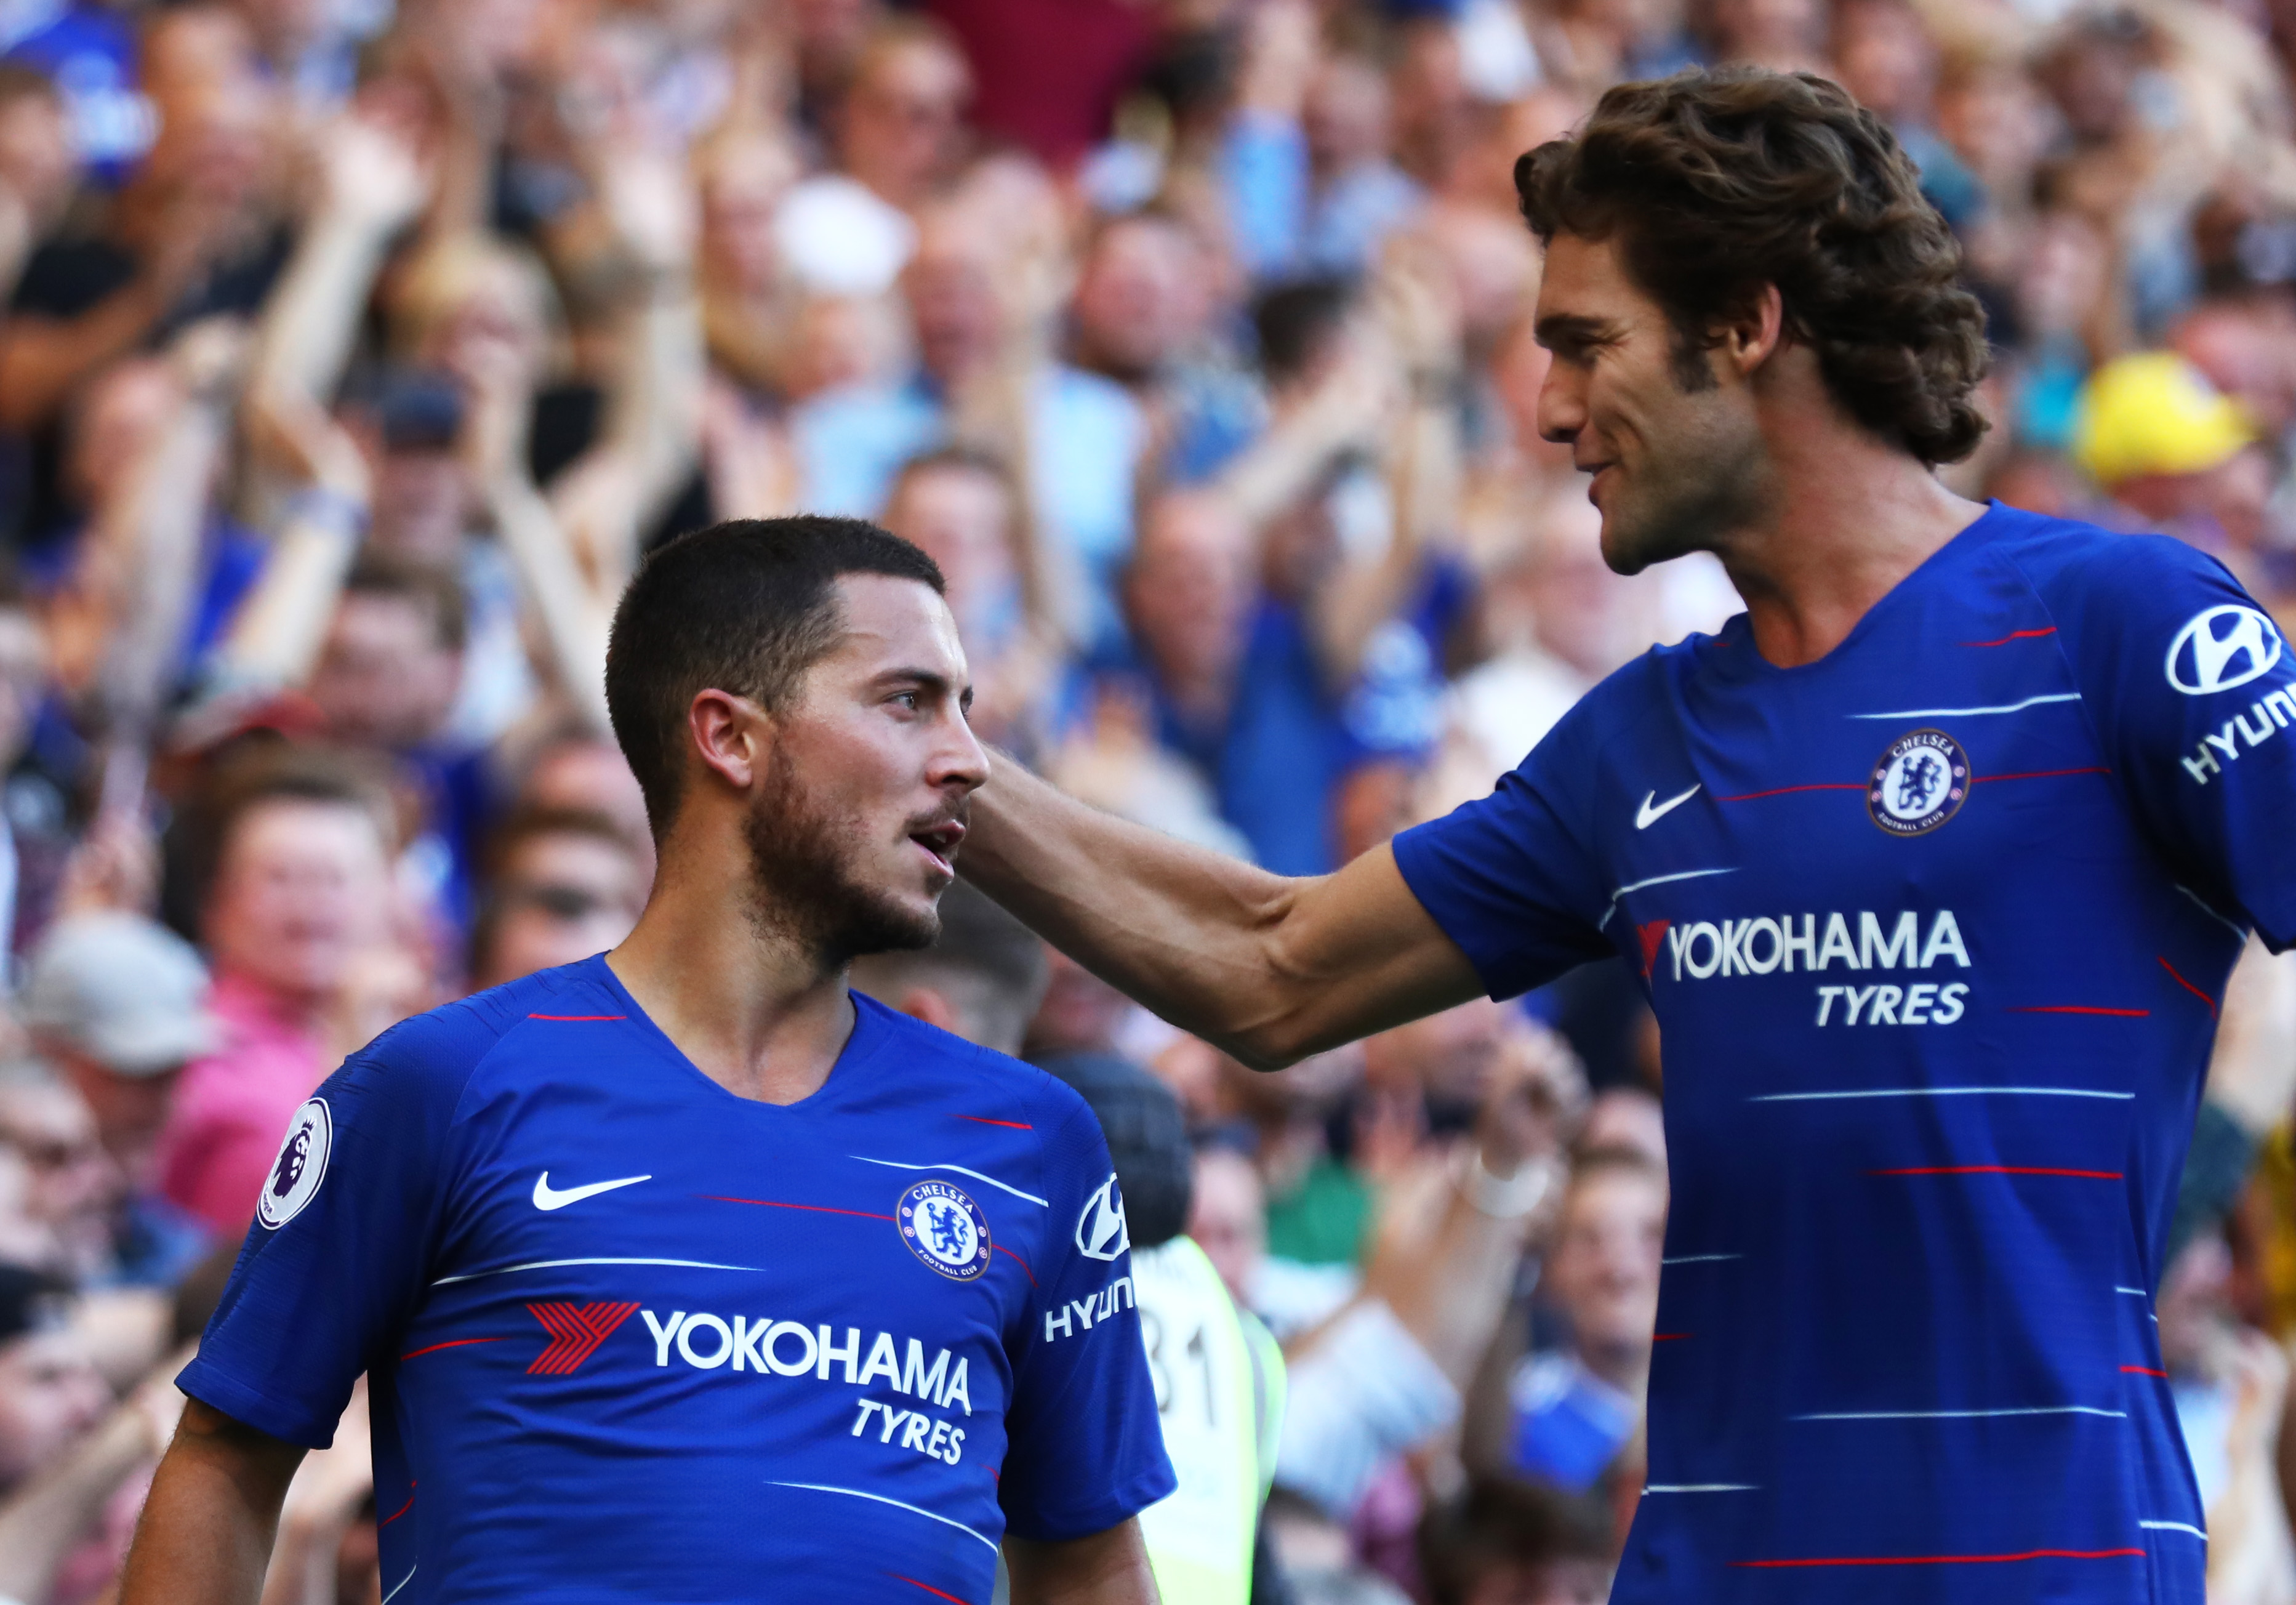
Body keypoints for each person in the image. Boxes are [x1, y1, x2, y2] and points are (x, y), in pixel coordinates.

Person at [956, 68, 2295, 1601]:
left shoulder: (2122, 625)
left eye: (1585, 343)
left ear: (1744, 322)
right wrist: (933, 763)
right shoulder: (1640, 738)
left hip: (2048, 1566)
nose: (1547, 407)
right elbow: (1272, 965)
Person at [121, 517, 1172, 1604]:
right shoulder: (438, 1086)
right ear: (730, 738)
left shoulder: (1034, 1140)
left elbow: (1090, 1563)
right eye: (907, 702)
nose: (967, 761)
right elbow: (225, 1463)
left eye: (964, 708)